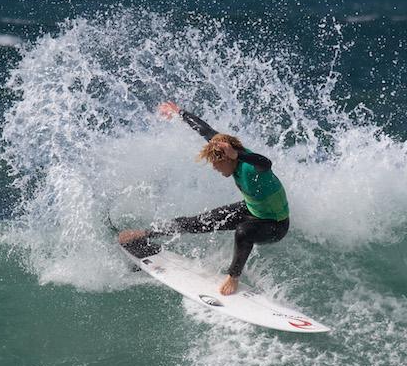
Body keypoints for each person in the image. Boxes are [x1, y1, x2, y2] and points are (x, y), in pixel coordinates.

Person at [118, 101, 290, 295]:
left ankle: (233, 277)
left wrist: (238, 154)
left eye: (217, 164)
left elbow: (266, 162)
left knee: (243, 232)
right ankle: (145, 234)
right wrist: (179, 112)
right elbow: (204, 129)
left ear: (228, 157)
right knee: (197, 222)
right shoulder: (227, 155)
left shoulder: (251, 166)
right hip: (252, 209)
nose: (215, 168)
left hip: (275, 225)